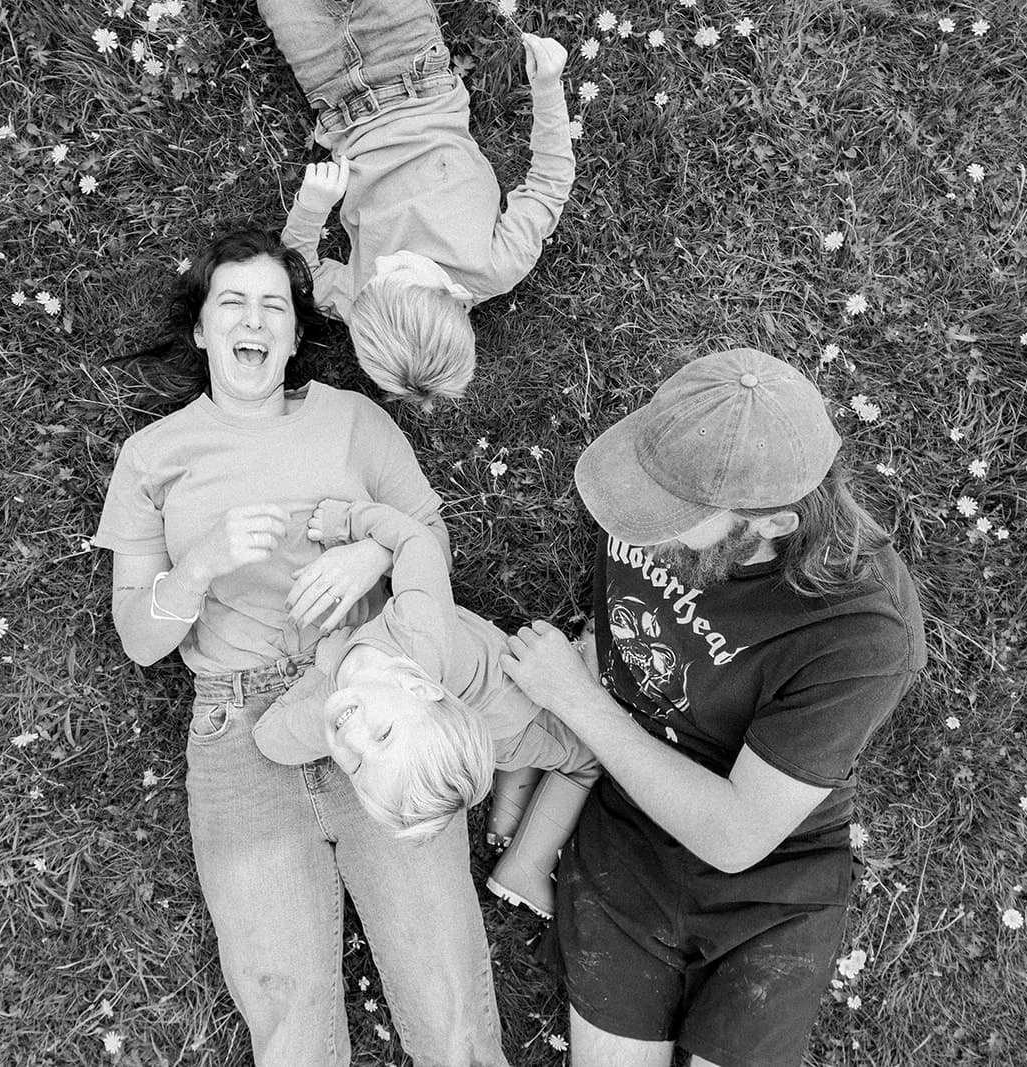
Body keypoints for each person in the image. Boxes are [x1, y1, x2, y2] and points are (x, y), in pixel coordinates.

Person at [92, 227, 508, 1067]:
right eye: (232, 303)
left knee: (449, 1002)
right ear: (203, 329)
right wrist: (202, 563)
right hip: (239, 733)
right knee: (288, 1021)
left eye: (273, 305)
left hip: (374, 696)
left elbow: (427, 534)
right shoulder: (152, 457)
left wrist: (370, 551)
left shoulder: (353, 420)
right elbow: (139, 639)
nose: (254, 320)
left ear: (292, 332)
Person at [501, 349, 927, 1067]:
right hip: (629, 831)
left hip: (771, 879)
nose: (634, 522)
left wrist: (577, 701)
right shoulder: (675, 461)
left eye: (670, 519)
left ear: (773, 521)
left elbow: (736, 834)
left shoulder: (864, 631)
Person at [250, 496, 599, 918]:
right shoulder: (420, 623)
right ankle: (522, 845)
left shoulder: (336, 709)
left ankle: (517, 834)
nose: (353, 740)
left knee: (561, 756)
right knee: (586, 752)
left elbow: (270, 739)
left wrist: (317, 674)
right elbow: (416, 542)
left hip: (502, 727)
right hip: (519, 714)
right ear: (417, 688)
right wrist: (352, 525)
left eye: (357, 767)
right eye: (383, 735)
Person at [257, 0, 574, 407]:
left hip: (335, 94)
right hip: (413, 67)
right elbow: (549, 185)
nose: (384, 262)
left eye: (376, 280)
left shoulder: (365, 300)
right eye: (401, 271)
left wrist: (312, 207)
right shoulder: (497, 265)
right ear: (456, 302)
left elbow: (298, 276)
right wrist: (548, 87)